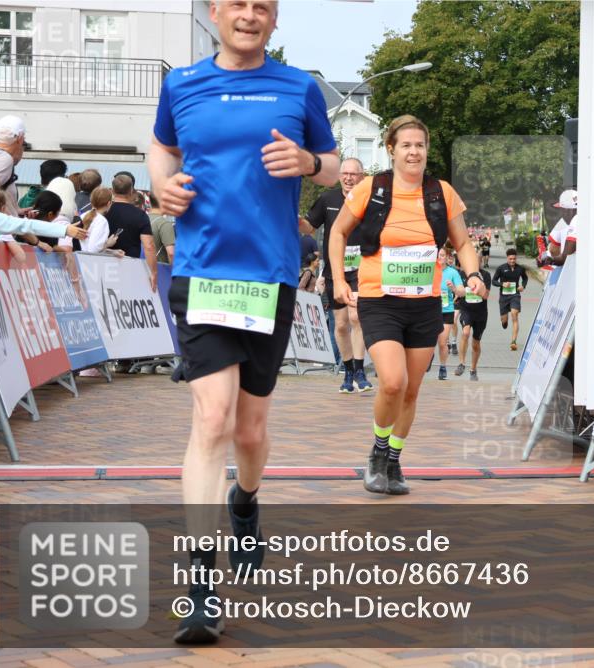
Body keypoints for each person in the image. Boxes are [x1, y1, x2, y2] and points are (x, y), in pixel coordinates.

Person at [147, 0, 339, 645]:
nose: (250, 14)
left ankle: (246, 502)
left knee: (250, 429)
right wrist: (162, 186)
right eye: (238, 4)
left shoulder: (298, 86)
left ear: (274, 20)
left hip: (270, 275)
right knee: (212, 418)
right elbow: (160, 146)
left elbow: (334, 164)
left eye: (262, 6)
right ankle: (201, 588)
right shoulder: (183, 84)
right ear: (215, 14)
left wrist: (310, 166)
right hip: (202, 269)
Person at [329, 114, 485, 496]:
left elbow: (462, 243)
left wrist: (472, 274)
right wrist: (336, 279)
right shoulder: (372, 188)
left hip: (424, 303)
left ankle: (394, 460)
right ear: (391, 149)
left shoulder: (441, 193)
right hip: (380, 301)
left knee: (412, 390)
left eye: (420, 145)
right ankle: (378, 453)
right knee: (393, 382)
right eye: (406, 145)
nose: (414, 152)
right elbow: (338, 231)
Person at [309, 157, 372, 393]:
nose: (348, 178)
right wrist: (293, 220)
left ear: (361, 176)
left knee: (357, 318)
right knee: (342, 323)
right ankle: (347, 372)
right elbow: (310, 225)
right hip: (336, 270)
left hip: (361, 269)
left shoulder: (370, 200)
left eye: (353, 174)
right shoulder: (328, 199)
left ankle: (360, 371)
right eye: (344, 174)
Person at [108, 173, 158, 289]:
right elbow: (149, 245)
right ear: (131, 191)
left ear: (112, 190)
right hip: (130, 267)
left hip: (100, 267)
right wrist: (153, 272)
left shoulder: (103, 211)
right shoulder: (140, 215)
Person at [454, 263, 492, 381]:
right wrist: (456, 292)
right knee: (465, 333)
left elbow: (485, 296)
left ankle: (473, 369)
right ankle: (461, 363)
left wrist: (477, 289)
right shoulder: (461, 274)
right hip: (466, 310)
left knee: (476, 343)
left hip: (480, 313)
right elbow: (459, 293)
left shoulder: (485, 275)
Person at [437, 245, 465, 380]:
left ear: (447, 257)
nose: (439, 258)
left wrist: (453, 288)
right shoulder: (428, 271)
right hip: (428, 310)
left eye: (442, 255)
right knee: (428, 341)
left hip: (446, 311)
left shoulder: (453, 273)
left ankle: (442, 367)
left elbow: (462, 292)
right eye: (437, 255)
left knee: (442, 342)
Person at [492, 248, 528, 350]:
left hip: (515, 295)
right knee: (504, 320)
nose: (512, 261)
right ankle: (504, 322)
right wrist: (502, 284)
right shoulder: (501, 268)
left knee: (514, 314)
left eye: (514, 259)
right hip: (503, 297)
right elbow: (493, 281)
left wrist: (523, 286)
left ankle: (513, 341)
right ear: (507, 258)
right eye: (510, 259)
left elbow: (525, 278)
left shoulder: (520, 268)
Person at [79, 187, 118, 254]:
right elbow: (92, 250)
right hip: (88, 261)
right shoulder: (102, 221)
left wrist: (112, 252)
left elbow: (87, 246)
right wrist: (108, 244)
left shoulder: (83, 215)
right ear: (109, 203)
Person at [547, 189, 577, 264]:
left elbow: (564, 257)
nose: (560, 213)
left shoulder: (576, 220)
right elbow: (553, 250)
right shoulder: (563, 222)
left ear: (568, 210)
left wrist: (550, 260)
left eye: (561, 209)